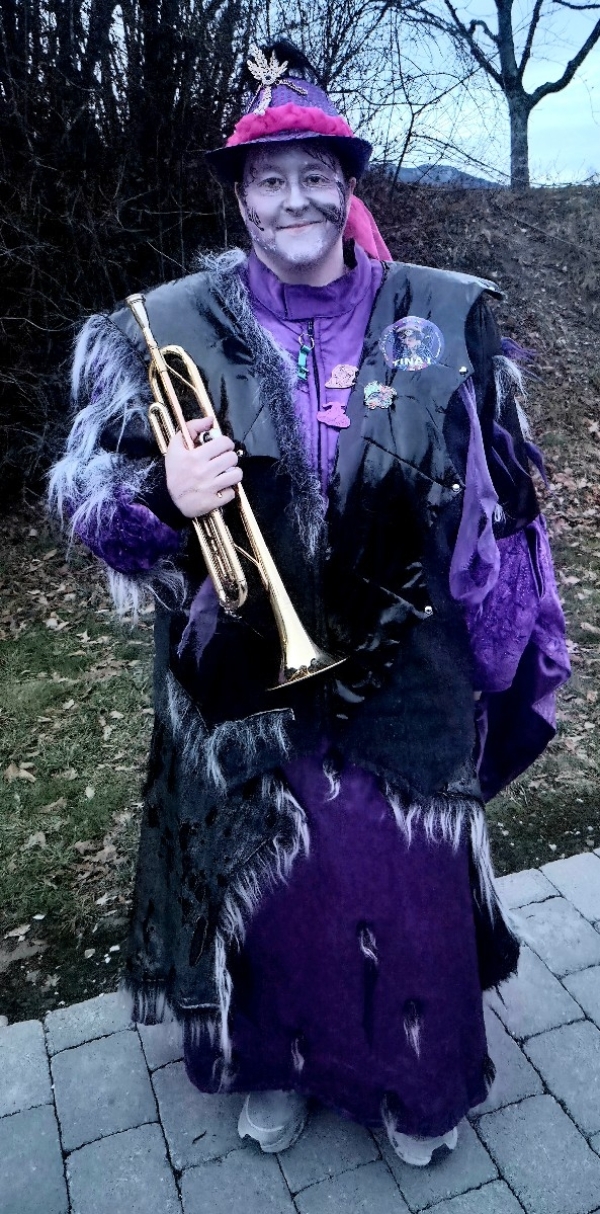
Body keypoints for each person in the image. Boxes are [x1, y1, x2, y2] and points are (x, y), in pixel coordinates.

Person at [49, 41, 570, 1168]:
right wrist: (165, 496)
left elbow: (506, 496)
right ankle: (276, 1068)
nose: (295, 198)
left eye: (316, 175)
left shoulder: (443, 313)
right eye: (270, 178)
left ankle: (420, 1085)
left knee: (406, 885)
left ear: (347, 186)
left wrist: (510, 644)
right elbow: (85, 495)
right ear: (240, 197)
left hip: (407, 665)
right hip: (246, 672)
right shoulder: (165, 326)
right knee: (276, 891)